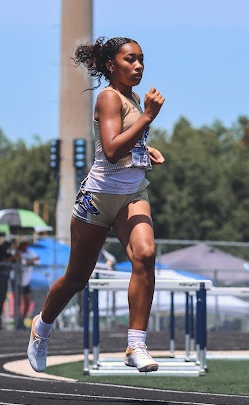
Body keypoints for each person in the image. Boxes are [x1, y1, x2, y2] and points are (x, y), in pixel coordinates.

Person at [27, 36, 165, 373]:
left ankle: (135, 344)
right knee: (77, 278)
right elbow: (112, 149)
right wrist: (148, 117)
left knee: (145, 255)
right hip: (98, 199)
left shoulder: (132, 97)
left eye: (142, 60)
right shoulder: (108, 97)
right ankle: (42, 327)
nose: (138, 66)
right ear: (110, 65)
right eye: (130, 60)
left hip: (132, 195)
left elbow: (125, 148)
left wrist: (146, 151)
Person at [11, 238, 39, 329]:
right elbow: (21, 262)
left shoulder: (30, 253)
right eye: (24, 244)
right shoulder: (16, 253)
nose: (26, 246)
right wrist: (31, 261)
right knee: (17, 302)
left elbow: (37, 261)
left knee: (27, 302)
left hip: (26, 281)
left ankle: (22, 319)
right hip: (16, 281)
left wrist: (30, 261)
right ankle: (17, 320)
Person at [0, 238, 15, 330]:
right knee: (0, 302)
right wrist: (10, 259)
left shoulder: (7, 254)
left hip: (4, 281)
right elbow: (1, 260)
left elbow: (15, 259)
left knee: (1, 301)